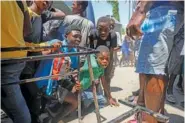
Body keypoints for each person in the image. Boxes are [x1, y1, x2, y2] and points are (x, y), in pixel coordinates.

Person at [1, 1, 61, 123]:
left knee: (30, 106)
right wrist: (43, 50)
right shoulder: (28, 13)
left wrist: (45, 47)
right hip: (19, 68)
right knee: (24, 111)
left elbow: (21, 43)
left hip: (27, 67)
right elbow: (21, 40)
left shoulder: (39, 16)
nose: (47, 1)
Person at [126, 1, 184, 123]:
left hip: (163, 11)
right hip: (176, 12)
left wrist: (140, 10)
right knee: (160, 70)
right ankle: (156, 115)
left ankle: (149, 120)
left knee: (152, 69)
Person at [81, 45, 119, 111]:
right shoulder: (92, 65)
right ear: (96, 58)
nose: (105, 61)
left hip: (90, 89)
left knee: (101, 99)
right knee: (103, 101)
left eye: (107, 59)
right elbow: (81, 70)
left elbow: (104, 82)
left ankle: (87, 105)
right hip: (83, 90)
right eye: (102, 58)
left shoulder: (101, 67)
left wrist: (110, 97)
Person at [89, 16, 118, 102]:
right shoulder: (92, 34)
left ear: (110, 28)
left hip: (107, 58)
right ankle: (96, 96)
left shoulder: (113, 35)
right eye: (100, 29)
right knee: (96, 78)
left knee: (107, 77)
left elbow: (111, 52)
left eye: (106, 30)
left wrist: (109, 65)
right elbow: (90, 50)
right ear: (96, 27)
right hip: (96, 59)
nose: (103, 32)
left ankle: (107, 95)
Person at [166, 25, 184, 103]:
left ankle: (169, 89)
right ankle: (166, 88)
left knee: (177, 65)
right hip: (173, 32)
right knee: (165, 62)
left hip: (181, 38)